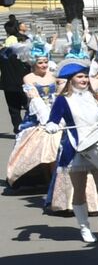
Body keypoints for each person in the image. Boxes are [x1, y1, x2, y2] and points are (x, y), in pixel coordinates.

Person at [47, 61, 98, 246]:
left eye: (85, 77)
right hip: (75, 150)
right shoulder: (63, 99)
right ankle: (85, 227)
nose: (84, 80)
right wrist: (52, 125)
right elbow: (54, 120)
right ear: (71, 80)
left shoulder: (96, 97)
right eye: (80, 77)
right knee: (79, 192)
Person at [7, 41, 60, 186]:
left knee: (57, 147)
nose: (44, 65)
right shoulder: (28, 78)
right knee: (41, 149)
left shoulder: (53, 75)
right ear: (33, 63)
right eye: (40, 63)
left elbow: (62, 91)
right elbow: (34, 98)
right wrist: (46, 118)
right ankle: (47, 179)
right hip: (38, 116)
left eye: (45, 62)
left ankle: (56, 179)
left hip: (55, 114)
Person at [2, 34, 31, 134]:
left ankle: (18, 129)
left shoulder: (3, 54)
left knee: (14, 110)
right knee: (30, 107)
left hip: (8, 86)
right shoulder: (23, 54)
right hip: (24, 84)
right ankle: (30, 127)